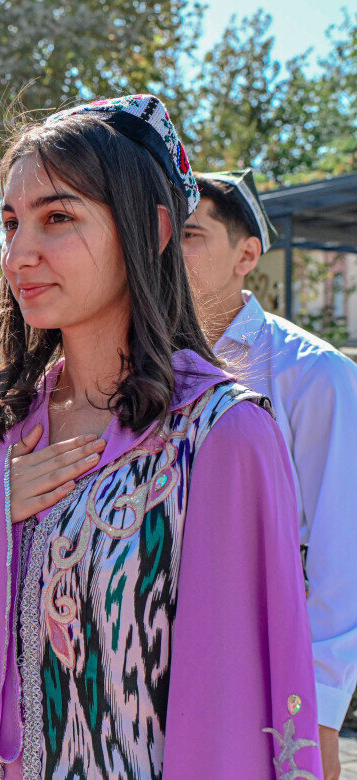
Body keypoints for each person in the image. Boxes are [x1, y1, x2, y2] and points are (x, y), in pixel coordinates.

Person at [0, 94, 322, 778]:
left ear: (154, 228)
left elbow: (229, 710)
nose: (20, 254)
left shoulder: (221, 436)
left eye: (58, 218)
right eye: (11, 223)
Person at [183, 168, 357, 780]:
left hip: (260, 667)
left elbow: (339, 559)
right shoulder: (142, 367)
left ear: (247, 255)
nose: (167, 253)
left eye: (190, 234)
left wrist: (322, 714)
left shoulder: (314, 374)